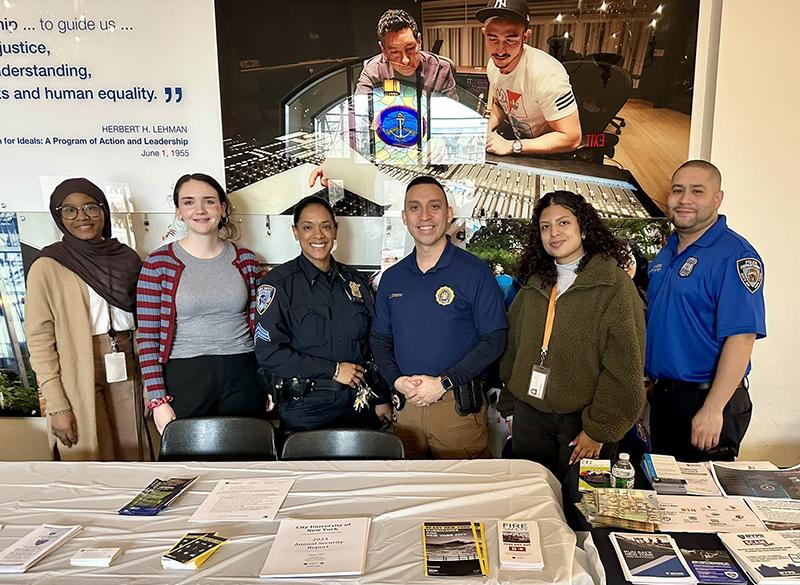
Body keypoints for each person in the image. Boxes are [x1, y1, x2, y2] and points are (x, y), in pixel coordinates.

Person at [498, 191, 645, 480]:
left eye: (563, 222)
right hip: (530, 418)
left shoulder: (613, 285)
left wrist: (598, 429)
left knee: (580, 512)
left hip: (584, 424)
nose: (554, 233)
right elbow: (513, 348)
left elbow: (624, 366)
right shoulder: (533, 285)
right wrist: (511, 407)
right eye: (545, 226)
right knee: (533, 505)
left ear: (583, 227)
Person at [371, 176, 507, 459]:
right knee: (410, 494)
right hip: (406, 409)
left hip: (456, 410)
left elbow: (494, 339)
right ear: (405, 217)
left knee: (463, 498)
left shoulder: (474, 272)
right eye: (415, 207)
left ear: (448, 214)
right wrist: (396, 381)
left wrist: (444, 382)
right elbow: (380, 339)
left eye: (434, 206)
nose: (424, 216)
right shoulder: (392, 279)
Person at [646, 160, 766, 462]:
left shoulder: (735, 256)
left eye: (697, 191)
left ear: (717, 199)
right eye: (677, 190)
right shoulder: (667, 251)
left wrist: (713, 408)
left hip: (707, 401)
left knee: (699, 505)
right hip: (666, 398)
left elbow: (742, 337)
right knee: (665, 497)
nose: (684, 199)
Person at [25, 178, 144, 460]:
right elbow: (39, 341)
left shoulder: (128, 258)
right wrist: (58, 406)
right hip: (77, 367)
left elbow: (146, 318)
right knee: (91, 454)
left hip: (128, 362)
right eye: (70, 210)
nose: (82, 217)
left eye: (91, 207)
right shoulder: (48, 265)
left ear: (104, 211)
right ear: (58, 216)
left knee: (135, 451)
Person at [136, 173, 264, 434]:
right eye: (189, 202)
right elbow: (147, 337)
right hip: (185, 375)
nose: (200, 210)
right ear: (179, 212)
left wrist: (268, 378)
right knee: (188, 460)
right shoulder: (157, 264)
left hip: (243, 370)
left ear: (223, 208)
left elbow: (262, 326)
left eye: (209, 201)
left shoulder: (247, 260)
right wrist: (158, 399)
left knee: (247, 457)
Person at [254, 195, 392, 432]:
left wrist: (380, 397)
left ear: (335, 231)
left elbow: (372, 344)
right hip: (305, 409)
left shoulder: (355, 282)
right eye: (308, 227)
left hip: (357, 405)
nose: (318, 235)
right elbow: (269, 353)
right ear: (295, 232)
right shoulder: (279, 284)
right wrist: (334, 370)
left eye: (326, 226)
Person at [477, 0, 582, 156]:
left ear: (525, 36)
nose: (500, 50)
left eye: (510, 39)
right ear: (484, 33)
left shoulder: (546, 73)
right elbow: (501, 105)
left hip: (553, 155)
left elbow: (572, 138)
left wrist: (513, 146)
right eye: (493, 38)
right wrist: (487, 127)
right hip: (520, 145)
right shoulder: (493, 66)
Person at [357, 8, 457, 99]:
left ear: (419, 41)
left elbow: (452, 114)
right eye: (395, 52)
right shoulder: (372, 71)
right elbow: (357, 112)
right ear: (383, 50)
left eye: (410, 48)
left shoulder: (440, 69)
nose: (405, 61)